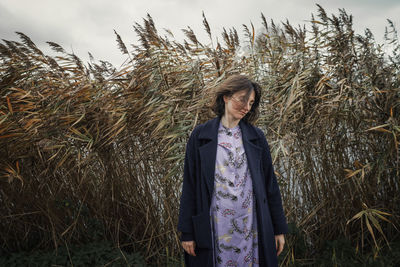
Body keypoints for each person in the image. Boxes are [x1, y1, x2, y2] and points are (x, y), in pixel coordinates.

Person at [177, 74, 288, 267]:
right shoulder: (200, 136)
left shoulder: (256, 137)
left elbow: (270, 185)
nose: (247, 107)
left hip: (250, 224)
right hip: (215, 226)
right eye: (242, 99)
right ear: (226, 97)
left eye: (251, 102)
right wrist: (187, 232)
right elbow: (190, 185)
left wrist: (278, 229)